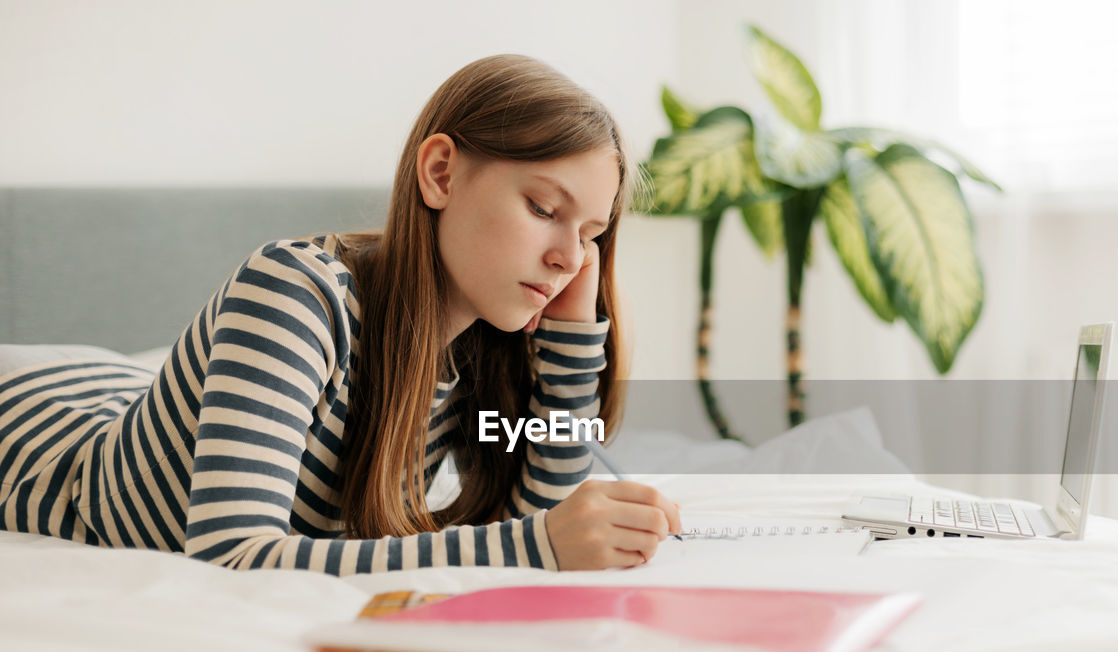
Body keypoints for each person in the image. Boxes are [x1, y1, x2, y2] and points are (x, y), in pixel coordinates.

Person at [0, 54, 680, 574]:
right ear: (441, 173)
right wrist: (536, 546)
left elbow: (537, 515)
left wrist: (570, 337)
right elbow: (232, 556)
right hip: (36, 429)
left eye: (591, 232)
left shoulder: (481, 345)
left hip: (121, 389)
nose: (569, 257)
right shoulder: (293, 292)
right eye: (542, 209)